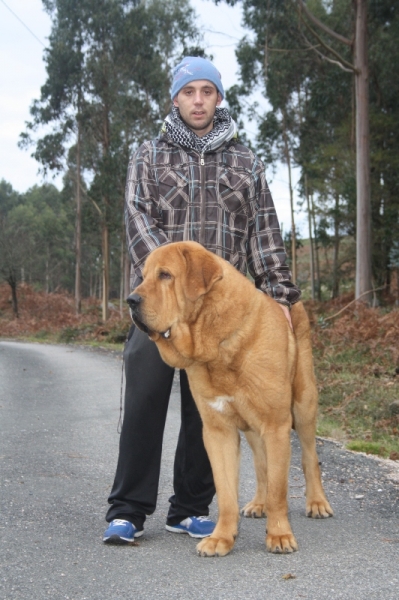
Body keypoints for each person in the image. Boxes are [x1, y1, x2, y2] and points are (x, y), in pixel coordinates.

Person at [103, 56, 301, 544]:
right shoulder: (148, 156)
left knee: (209, 411)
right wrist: (169, 290)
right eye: (188, 91)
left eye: (206, 92)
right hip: (162, 306)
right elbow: (138, 223)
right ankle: (128, 510)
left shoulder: (246, 163)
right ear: (175, 98)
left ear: (218, 98)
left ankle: (189, 508)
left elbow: (264, 235)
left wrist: (279, 296)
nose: (197, 100)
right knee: (145, 395)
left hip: (222, 310)